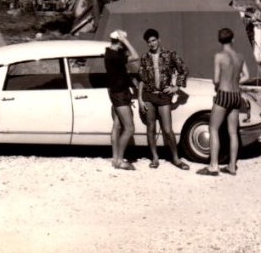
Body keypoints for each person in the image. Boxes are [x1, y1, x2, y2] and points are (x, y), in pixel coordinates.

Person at [137, 28, 190, 170]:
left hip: (163, 96)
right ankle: (154, 158)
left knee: (167, 129)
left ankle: (176, 159)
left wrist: (176, 88)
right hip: (148, 96)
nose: (152, 44)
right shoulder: (144, 57)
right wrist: (140, 99)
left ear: (159, 40)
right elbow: (141, 79)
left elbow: (183, 70)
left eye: (153, 40)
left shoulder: (170, 54)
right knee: (151, 128)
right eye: (149, 42)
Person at [198, 27, 246, 176]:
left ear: (220, 41)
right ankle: (232, 166)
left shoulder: (219, 56)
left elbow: (216, 79)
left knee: (213, 129)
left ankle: (213, 166)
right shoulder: (240, 56)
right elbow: (246, 76)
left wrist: (218, 84)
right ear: (233, 39)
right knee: (233, 132)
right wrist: (235, 80)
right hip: (236, 95)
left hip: (224, 94)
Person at [105, 29, 139, 171]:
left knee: (117, 126)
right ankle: (119, 160)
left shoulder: (109, 53)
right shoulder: (114, 56)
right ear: (119, 41)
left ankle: (115, 159)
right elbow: (136, 56)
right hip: (120, 94)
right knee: (129, 128)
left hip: (117, 92)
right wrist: (126, 42)